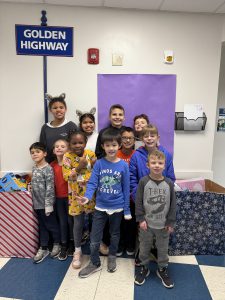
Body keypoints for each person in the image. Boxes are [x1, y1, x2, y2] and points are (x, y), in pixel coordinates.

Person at [77, 128, 131, 278]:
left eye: (114, 145)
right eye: (107, 145)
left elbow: (126, 189)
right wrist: (87, 197)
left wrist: (126, 210)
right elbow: (93, 183)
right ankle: (94, 262)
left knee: (114, 234)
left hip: (118, 208)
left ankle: (112, 256)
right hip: (100, 207)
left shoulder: (124, 166)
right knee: (95, 238)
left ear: (119, 145)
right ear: (103, 147)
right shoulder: (99, 164)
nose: (111, 148)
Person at [134, 150, 176, 288]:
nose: (157, 165)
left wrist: (170, 222)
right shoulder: (143, 181)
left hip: (163, 225)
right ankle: (144, 267)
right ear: (148, 165)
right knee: (144, 247)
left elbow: (172, 204)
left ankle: (162, 268)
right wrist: (141, 219)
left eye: (160, 163)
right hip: (147, 224)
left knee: (162, 249)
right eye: (153, 162)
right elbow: (139, 201)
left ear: (164, 166)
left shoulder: (169, 183)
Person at [62, 131, 96, 269]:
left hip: (90, 195)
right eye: (74, 143)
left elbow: (96, 173)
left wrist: (94, 164)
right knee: (78, 223)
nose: (77, 145)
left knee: (95, 221)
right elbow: (67, 177)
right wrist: (79, 167)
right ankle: (77, 250)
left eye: (80, 142)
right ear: (70, 144)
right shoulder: (67, 157)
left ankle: (97, 245)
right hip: (75, 197)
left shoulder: (90, 154)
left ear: (85, 143)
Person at [30, 142, 60, 264]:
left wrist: (48, 205)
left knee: (52, 225)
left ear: (45, 153)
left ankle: (57, 243)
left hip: (46, 205)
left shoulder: (48, 169)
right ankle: (43, 247)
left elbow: (50, 188)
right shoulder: (34, 168)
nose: (34, 154)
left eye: (37, 151)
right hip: (37, 204)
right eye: (32, 153)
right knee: (42, 226)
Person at [130, 124, 176, 202]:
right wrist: (138, 197)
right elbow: (132, 179)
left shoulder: (166, 154)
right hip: (142, 198)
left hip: (162, 198)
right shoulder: (136, 156)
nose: (149, 138)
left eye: (152, 136)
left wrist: (164, 196)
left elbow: (170, 177)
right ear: (142, 139)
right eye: (146, 136)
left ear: (158, 138)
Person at [50, 139, 73, 261]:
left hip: (70, 198)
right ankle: (64, 245)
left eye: (62, 146)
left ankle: (72, 244)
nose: (59, 148)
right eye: (57, 146)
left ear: (68, 150)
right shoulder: (52, 166)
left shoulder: (70, 165)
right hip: (58, 199)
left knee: (71, 222)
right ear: (53, 150)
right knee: (62, 222)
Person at [40, 93, 78, 163]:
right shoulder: (45, 128)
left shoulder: (71, 125)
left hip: (68, 165)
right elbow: (42, 148)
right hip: (50, 165)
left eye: (61, 107)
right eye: (55, 108)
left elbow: (76, 147)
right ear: (50, 110)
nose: (58, 110)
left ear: (65, 109)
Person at [116, 127, 136, 256]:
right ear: (120, 139)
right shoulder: (115, 154)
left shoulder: (137, 154)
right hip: (117, 196)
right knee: (117, 223)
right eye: (124, 138)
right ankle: (119, 245)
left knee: (131, 223)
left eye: (130, 138)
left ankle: (130, 245)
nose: (127, 140)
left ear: (134, 140)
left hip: (132, 197)